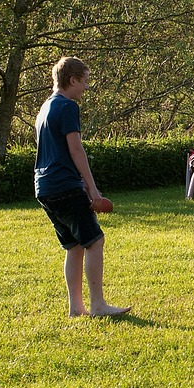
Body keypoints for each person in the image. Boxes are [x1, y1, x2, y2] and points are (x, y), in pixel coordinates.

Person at [34, 57, 131, 318]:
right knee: (95, 240)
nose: (86, 87)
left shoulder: (45, 107)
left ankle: (76, 309)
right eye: (84, 81)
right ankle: (98, 305)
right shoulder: (67, 106)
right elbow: (76, 149)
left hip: (44, 187)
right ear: (72, 80)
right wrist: (93, 189)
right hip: (65, 184)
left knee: (74, 245)